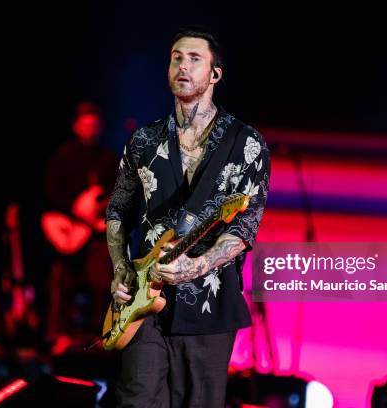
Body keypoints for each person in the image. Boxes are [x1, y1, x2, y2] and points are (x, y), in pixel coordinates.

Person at [106, 27, 270, 407]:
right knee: (136, 399)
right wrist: (119, 268)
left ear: (215, 74)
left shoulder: (246, 144)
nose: (183, 66)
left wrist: (193, 268)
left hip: (209, 311)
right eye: (176, 57)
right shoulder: (144, 141)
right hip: (143, 304)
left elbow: (243, 228)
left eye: (195, 59)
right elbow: (117, 211)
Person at [44, 102, 118, 350]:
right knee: (64, 282)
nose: (90, 128)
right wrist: (74, 209)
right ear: (76, 126)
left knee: (101, 281)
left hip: (95, 233)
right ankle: (62, 333)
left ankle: (96, 335)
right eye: (85, 124)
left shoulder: (107, 158)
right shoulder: (63, 155)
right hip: (69, 229)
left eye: (94, 124)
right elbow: (51, 192)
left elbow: (117, 194)